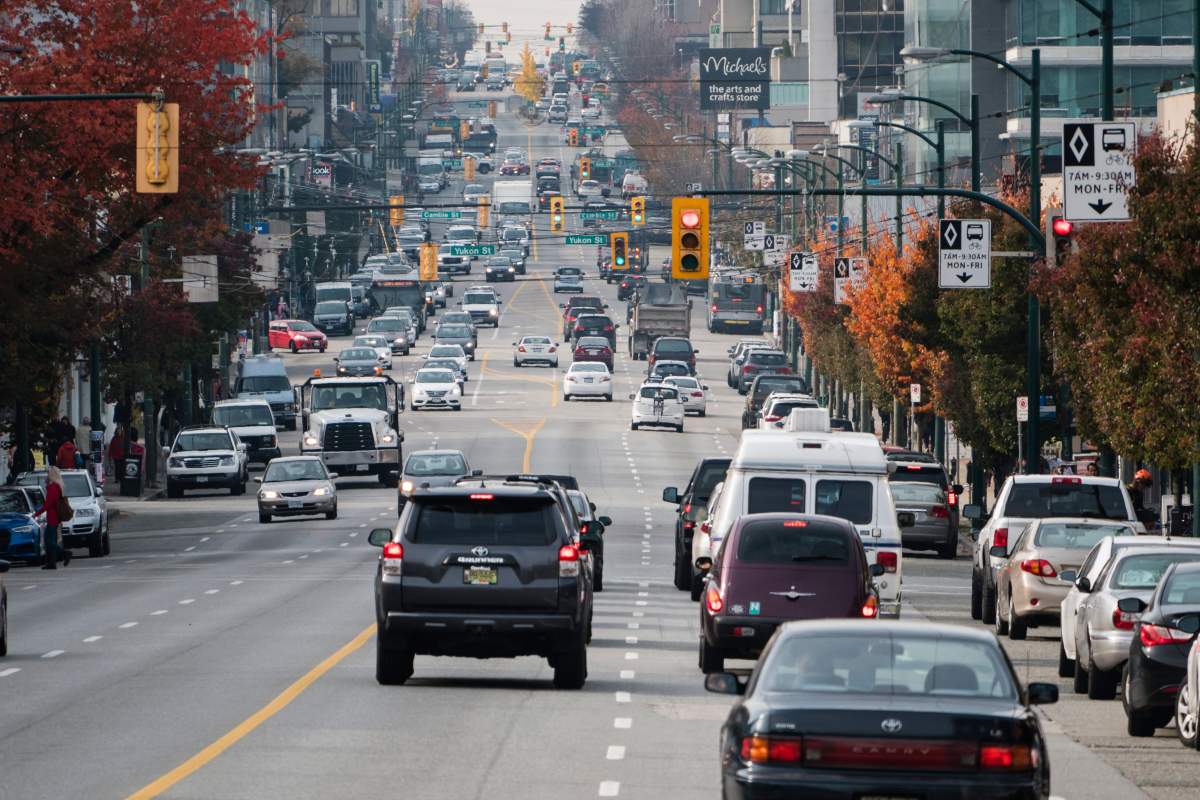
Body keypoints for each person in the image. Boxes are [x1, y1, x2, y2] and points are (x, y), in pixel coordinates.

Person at [35, 466, 70, 569]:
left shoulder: (53, 488)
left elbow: (48, 504)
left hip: (52, 517)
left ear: (52, 475)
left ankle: (64, 553)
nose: (46, 475)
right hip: (55, 517)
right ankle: (52, 563)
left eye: (48, 473)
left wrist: (36, 514)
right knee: (52, 540)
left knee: (48, 540)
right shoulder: (56, 486)